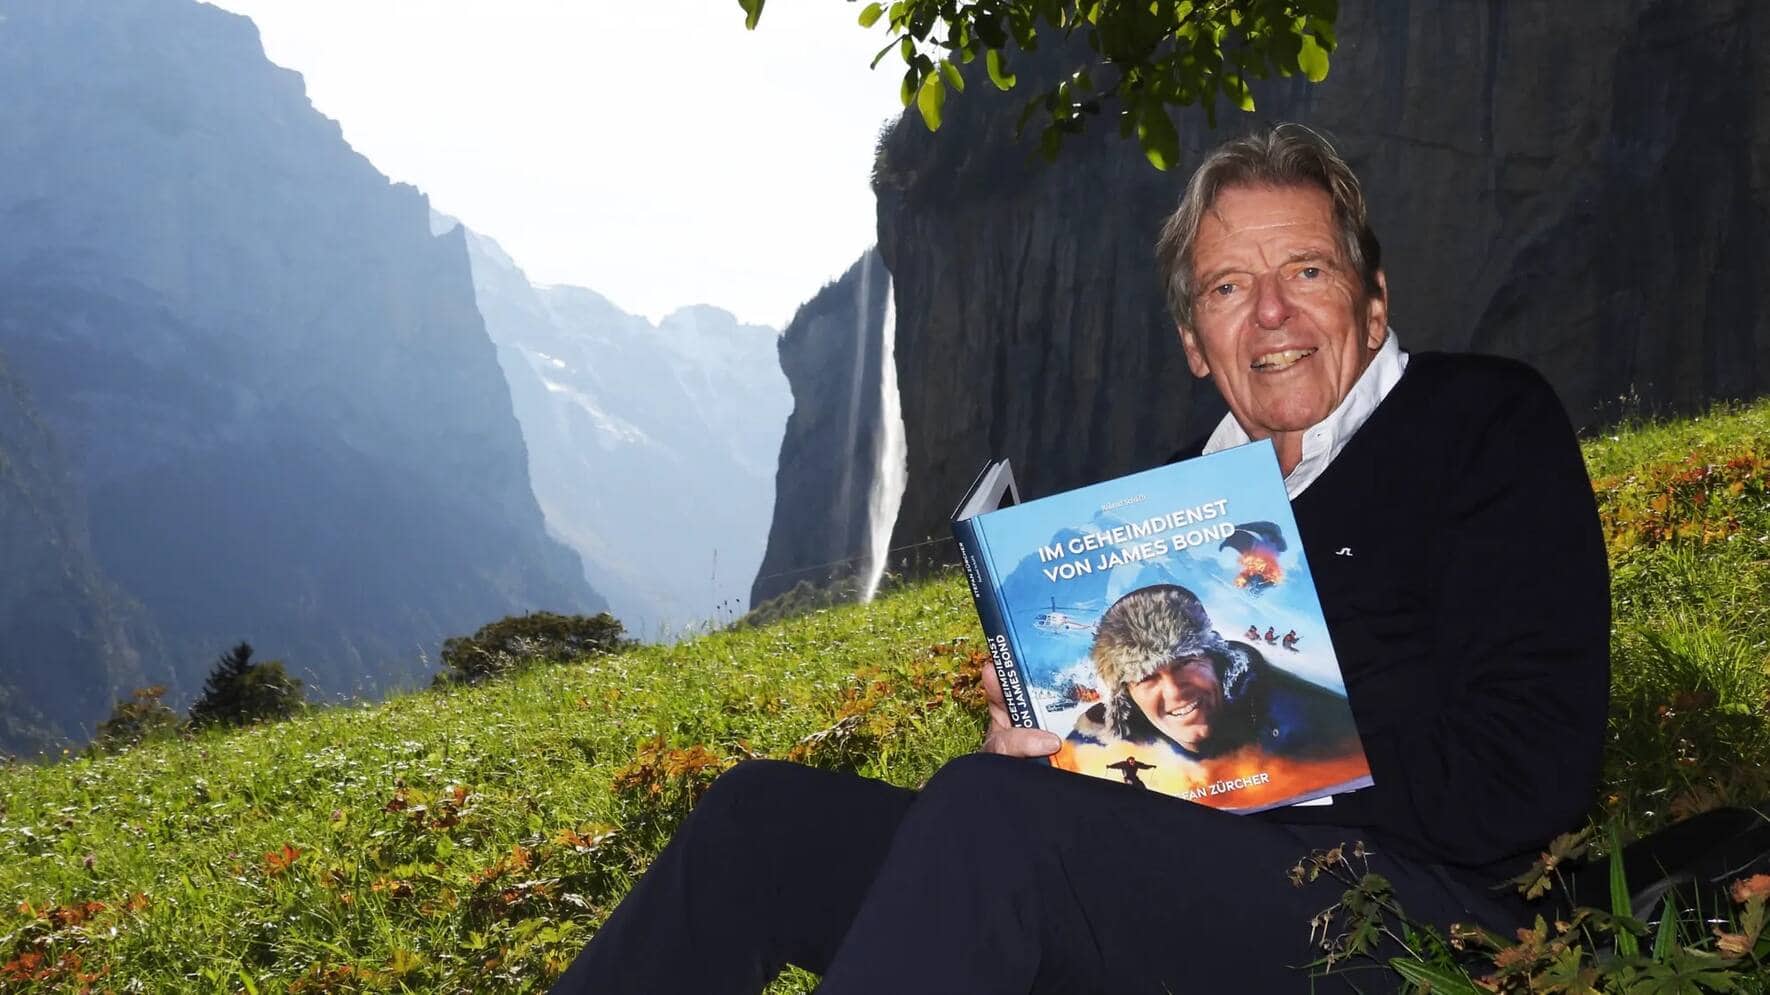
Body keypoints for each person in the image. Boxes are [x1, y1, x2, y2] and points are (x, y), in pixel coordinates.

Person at [549, 123, 1609, 994]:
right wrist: (1060, 738)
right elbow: (1133, 775)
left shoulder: (1481, 423)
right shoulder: (1168, 510)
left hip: (1410, 913)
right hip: (1167, 877)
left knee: (994, 822)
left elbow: (1528, 774)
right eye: (1229, 288)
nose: (1273, 312)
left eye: (1307, 269)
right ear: (1196, 341)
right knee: (763, 818)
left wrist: (1247, 762)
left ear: (1372, 302)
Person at [1066, 583, 1360, 762]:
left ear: (1217, 661)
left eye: (1185, 663)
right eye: (1147, 677)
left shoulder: (1316, 721)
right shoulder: (1091, 745)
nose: (1175, 691)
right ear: (1126, 695)